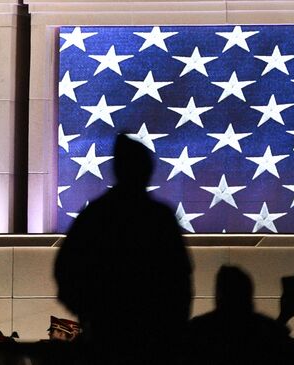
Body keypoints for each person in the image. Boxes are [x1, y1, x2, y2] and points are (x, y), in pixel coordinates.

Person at [54, 134, 192, 364]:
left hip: (108, 337)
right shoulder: (159, 218)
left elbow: (65, 270)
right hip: (150, 340)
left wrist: (87, 313)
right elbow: (180, 280)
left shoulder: (95, 216)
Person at [186, 265, 294, 364]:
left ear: (219, 296)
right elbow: (277, 349)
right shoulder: (265, 328)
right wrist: (285, 315)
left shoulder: (200, 329)